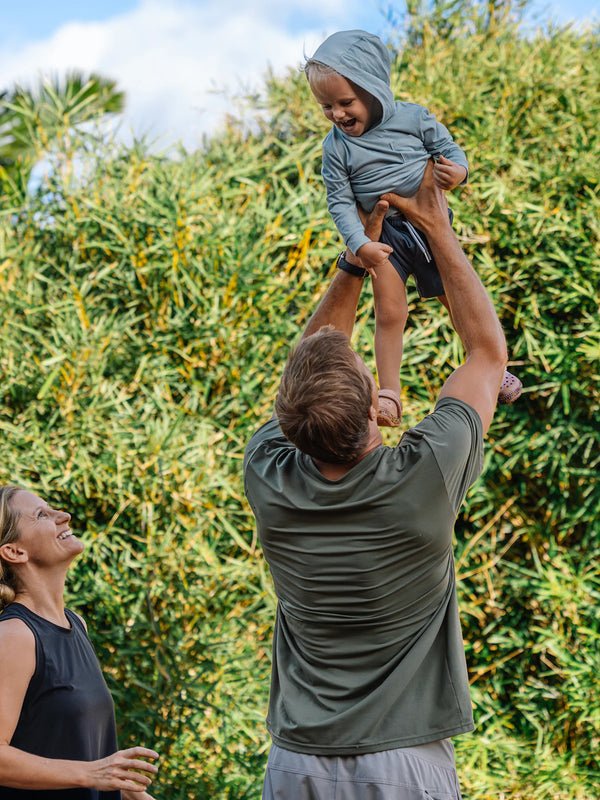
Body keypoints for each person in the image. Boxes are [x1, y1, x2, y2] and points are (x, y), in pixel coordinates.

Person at [243, 162, 508, 799]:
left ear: (289, 421)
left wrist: (354, 261)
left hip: (296, 761)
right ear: (373, 406)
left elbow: (310, 368)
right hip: (401, 764)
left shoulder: (269, 476)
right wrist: (438, 231)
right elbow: (486, 355)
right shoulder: (425, 475)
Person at [305, 28, 522, 425]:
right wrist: (359, 244)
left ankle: (491, 363)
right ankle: (389, 394)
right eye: (325, 107)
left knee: (454, 295)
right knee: (390, 311)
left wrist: (459, 171)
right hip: (383, 236)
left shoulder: (413, 117)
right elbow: (338, 201)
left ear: (372, 88)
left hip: (429, 224)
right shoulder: (335, 147)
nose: (336, 114)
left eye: (345, 102)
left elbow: (449, 150)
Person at [0, 485, 159, 799]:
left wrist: (126, 790)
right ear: (15, 551)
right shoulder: (15, 636)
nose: (64, 516)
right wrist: (93, 773)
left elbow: (74, 751)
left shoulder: (76, 625)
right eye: (42, 515)